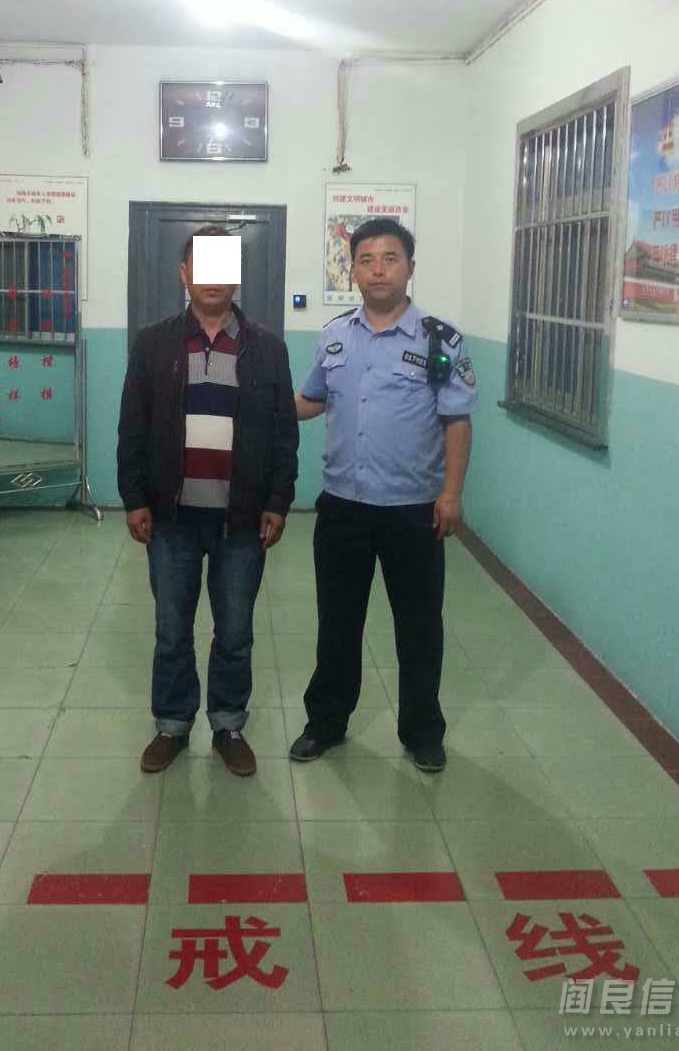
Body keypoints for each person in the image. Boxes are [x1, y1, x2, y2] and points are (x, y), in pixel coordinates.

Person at [289, 217, 477, 772]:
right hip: (342, 506)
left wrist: (452, 494)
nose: (378, 270)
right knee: (337, 623)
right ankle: (326, 722)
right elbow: (311, 400)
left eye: (390, 259)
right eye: (366, 260)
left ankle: (422, 732)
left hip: (413, 511)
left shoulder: (440, 340)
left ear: (410, 267)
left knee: (418, 627)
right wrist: (260, 400)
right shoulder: (334, 335)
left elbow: (457, 421)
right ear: (352, 270)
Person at [117, 225, 299, 777]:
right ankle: (172, 726)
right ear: (184, 273)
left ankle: (228, 725)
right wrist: (133, 498)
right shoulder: (154, 343)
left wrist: (278, 501)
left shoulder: (267, 347)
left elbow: (284, 433)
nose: (213, 278)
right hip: (170, 518)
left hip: (240, 521)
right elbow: (132, 426)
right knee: (172, 630)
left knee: (235, 632)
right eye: (203, 264)